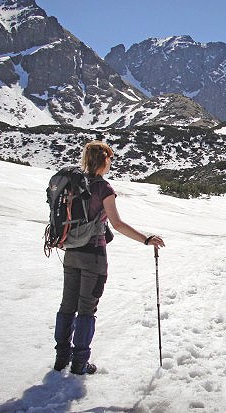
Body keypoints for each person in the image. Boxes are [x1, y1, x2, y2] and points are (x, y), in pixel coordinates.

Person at [53, 140, 165, 375]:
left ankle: (61, 357)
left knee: (67, 305)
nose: (111, 163)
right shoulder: (103, 189)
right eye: (110, 159)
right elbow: (117, 224)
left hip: (71, 252)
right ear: (104, 160)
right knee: (86, 309)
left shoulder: (73, 184)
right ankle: (80, 362)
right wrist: (146, 239)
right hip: (93, 255)